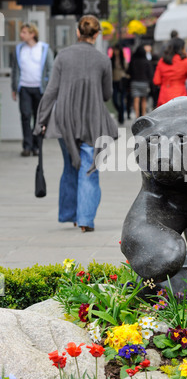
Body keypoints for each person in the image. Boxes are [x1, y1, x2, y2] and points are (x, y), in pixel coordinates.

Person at [33, 15, 118, 232]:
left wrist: (41, 121)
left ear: (78, 33)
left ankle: (70, 214)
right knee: (89, 167)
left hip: (64, 120)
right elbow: (107, 94)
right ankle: (85, 220)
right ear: (96, 35)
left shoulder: (63, 56)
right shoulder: (102, 60)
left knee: (71, 164)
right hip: (92, 119)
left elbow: (51, 91)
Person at [11, 23, 54, 157]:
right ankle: (27, 146)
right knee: (25, 116)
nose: (21, 35)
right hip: (24, 88)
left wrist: (49, 89)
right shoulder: (19, 49)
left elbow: (50, 68)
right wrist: (14, 87)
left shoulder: (44, 49)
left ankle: (37, 146)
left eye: (24, 32)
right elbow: (15, 70)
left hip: (40, 89)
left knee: (39, 118)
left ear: (32, 34)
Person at [153, 37, 187, 107]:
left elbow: (156, 81)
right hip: (180, 97)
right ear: (182, 48)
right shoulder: (185, 61)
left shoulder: (162, 61)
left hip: (164, 97)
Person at [127, 45, 153, 118]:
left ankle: (137, 115)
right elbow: (150, 74)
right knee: (144, 99)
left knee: (136, 99)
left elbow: (129, 72)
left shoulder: (133, 62)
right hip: (144, 83)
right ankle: (143, 115)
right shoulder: (147, 62)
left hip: (134, 82)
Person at [110, 43, 128, 124]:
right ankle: (120, 112)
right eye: (114, 50)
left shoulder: (123, 59)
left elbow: (126, 68)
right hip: (114, 81)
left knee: (121, 99)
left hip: (122, 81)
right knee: (115, 100)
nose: (115, 52)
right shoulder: (111, 60)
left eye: (117, 50)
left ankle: (121, 117)